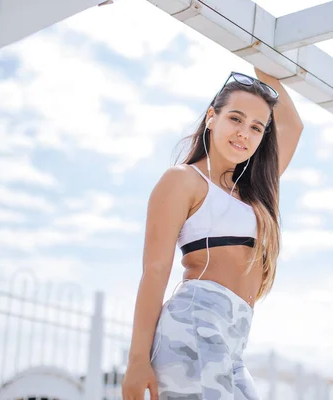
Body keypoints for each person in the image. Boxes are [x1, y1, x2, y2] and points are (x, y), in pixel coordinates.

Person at [122, 68, 304, 400]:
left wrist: (261, 58)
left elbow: (293, 126)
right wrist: (137, 360)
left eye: (256, 127)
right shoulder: (184, 180)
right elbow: (156, 270)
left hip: (233, 340)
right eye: (235, 119)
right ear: (211, 118)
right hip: (194, 326)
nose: (243, 133)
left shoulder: (254, 192)